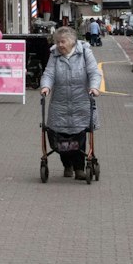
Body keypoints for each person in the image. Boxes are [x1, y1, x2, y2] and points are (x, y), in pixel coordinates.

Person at [39, 25, 101, 178]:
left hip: (81, 102)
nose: (60, 45)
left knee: (79, 134)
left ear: (72, 41)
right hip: (59, 103)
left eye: (63, 42)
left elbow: (94, 72)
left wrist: (94, 87)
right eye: (58, 42)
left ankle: (79, 168)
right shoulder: (55, 55)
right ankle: (67, 165)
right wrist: (46, 86)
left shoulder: (85, 52)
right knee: (59, 136)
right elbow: (49, 73)